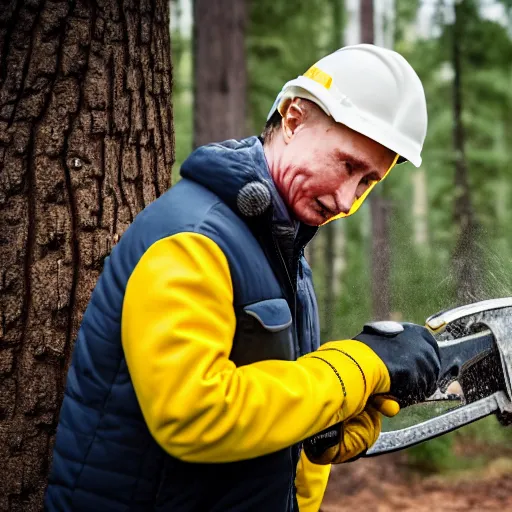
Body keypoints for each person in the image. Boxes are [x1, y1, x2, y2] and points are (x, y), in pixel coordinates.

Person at [45, 44, 440, 512]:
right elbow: (193, 413)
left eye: (367, 182)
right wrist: (352, 368)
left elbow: (262, 402)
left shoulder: (280, 251)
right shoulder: (194, 238)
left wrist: (323, 430)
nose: (346, 200)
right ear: (293, 120)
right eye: (347, 165)